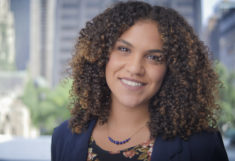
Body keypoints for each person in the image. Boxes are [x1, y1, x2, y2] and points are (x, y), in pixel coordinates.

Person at [51, 1, 229, 161]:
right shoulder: (63, 137)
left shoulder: (200, 145)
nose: (135, 68)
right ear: (101, 55)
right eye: (123, 49)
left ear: (172, 69)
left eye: (154, 57)